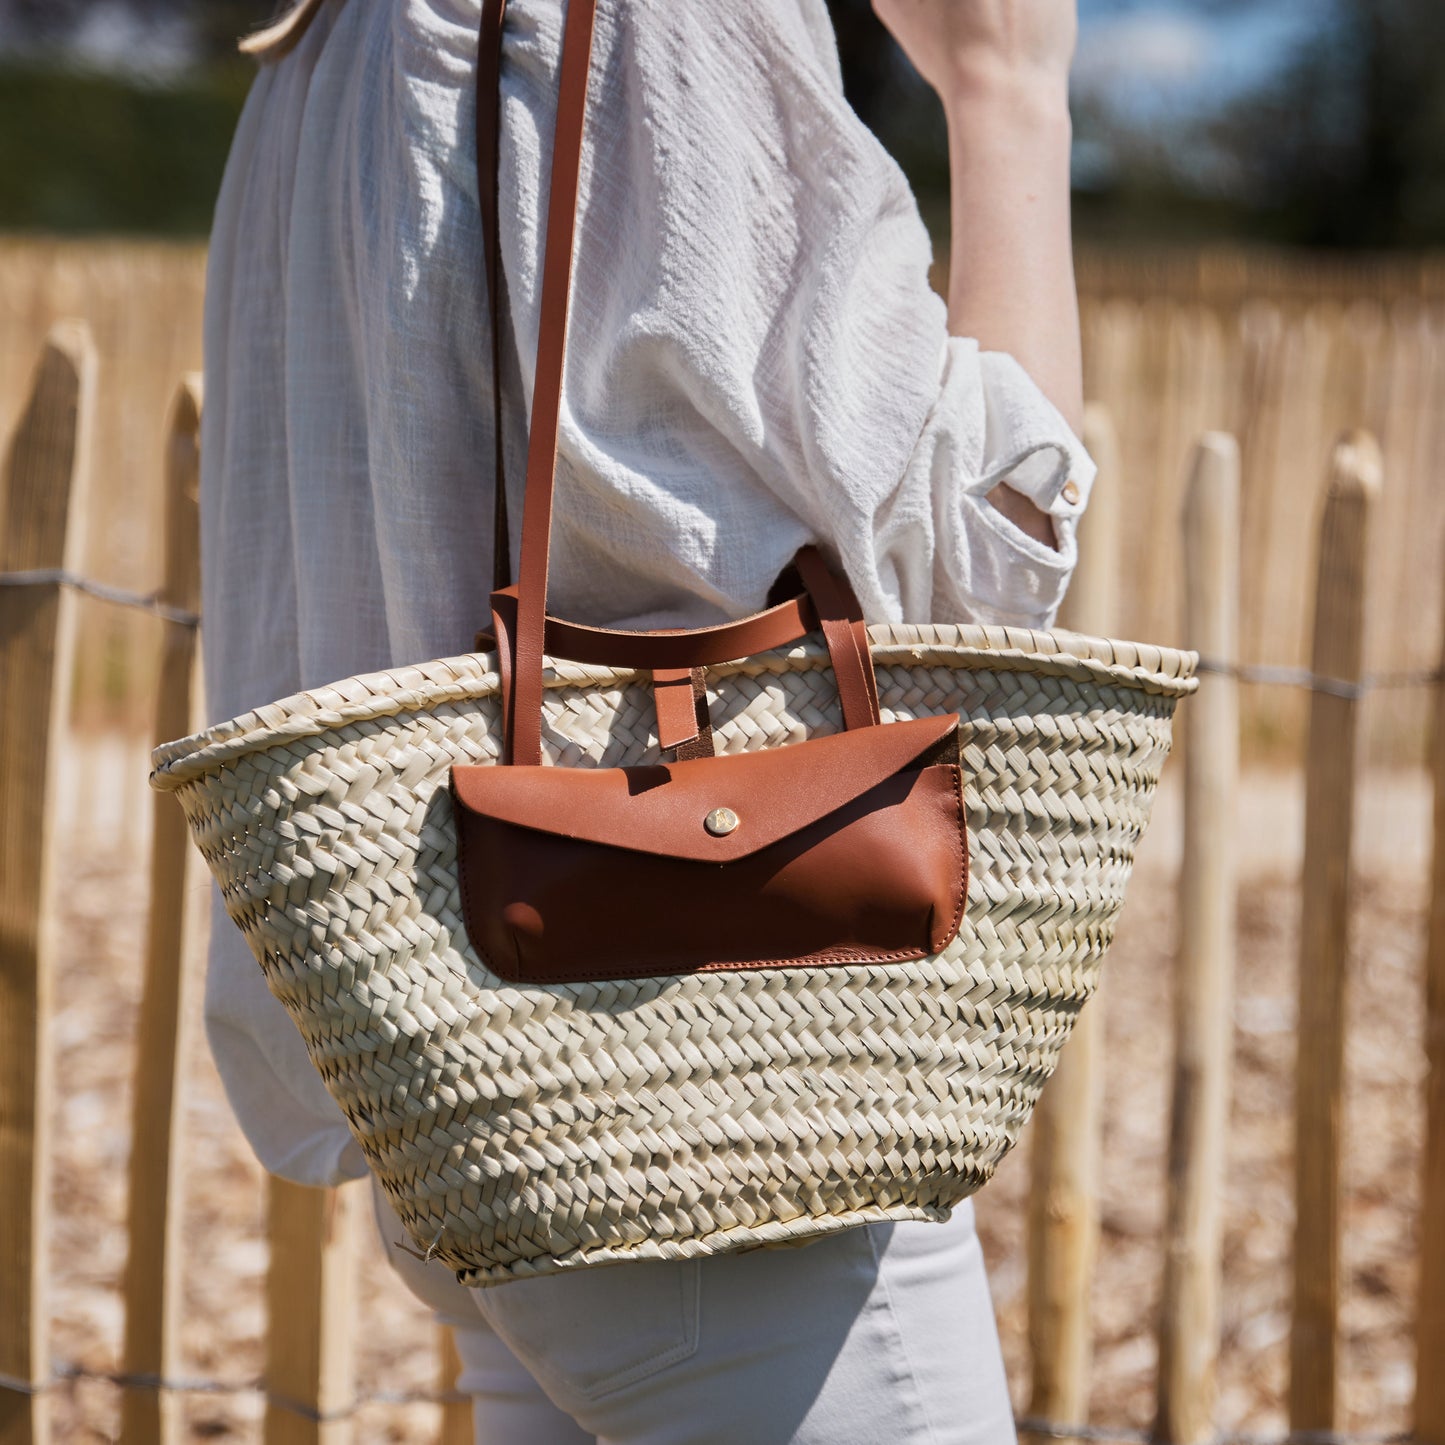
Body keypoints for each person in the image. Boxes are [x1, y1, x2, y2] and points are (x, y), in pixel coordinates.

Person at [200, 0, 1093, 1439]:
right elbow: (984, 560)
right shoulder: (673, 27)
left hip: (470, 1076)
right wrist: (1009, 93)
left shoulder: (317, 47)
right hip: (732, 1099)